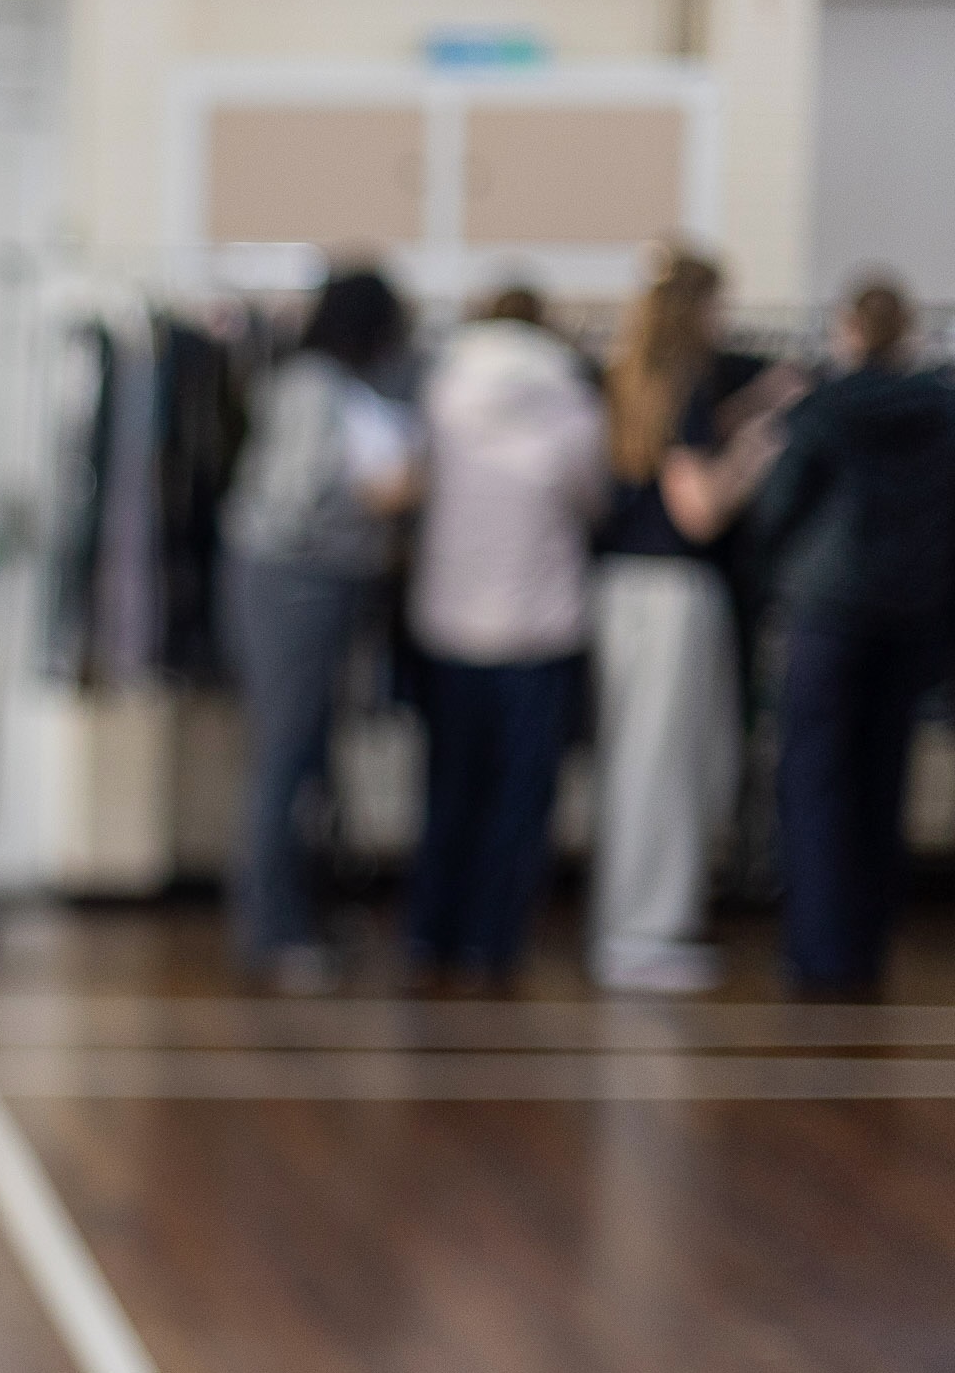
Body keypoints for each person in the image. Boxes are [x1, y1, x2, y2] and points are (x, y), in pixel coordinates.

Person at [590, 246, 801, 993]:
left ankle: (632, 925)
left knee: (642, 764)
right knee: (665, 769)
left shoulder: (637, 380)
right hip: (671, 597)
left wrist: (751, 407)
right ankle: (645, 933)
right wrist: (757, 448)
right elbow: (699, 507)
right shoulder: (681, 386)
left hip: (628, 592)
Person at [218, 266, 419, 989]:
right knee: (286, 755)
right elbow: (294, 500)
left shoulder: (334, 388)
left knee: (306, 756)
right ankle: (271, 930)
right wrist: (381, 498)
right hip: (294, 587)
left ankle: (296, 915)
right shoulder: (314, 388)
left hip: (312, 588)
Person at [754, 276, 955, 995]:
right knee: (882, 781)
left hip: (830, 613)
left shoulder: (824, 408)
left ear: (849, 329)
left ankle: (819, 947)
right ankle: (866, 944)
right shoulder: (942, 410)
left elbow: (778, 508)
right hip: (910, 616)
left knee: (815, 783)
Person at [402, 286, 606, 986]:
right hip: (539, 624)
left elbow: (410, 488)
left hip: (450, 619)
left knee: (447, 790)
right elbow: (593, 499)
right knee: (521, 798)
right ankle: (495, 942)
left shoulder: (440, 390)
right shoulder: (572, 402)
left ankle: (431, 933)